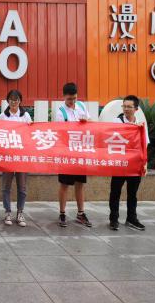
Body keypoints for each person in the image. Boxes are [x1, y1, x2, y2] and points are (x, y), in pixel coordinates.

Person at [54, 82, 92, 228]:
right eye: (69, 99)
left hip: (81, 152)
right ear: (64, 97)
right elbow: (60, 133)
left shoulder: (81, 106)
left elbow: (91, 124)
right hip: (66, 153)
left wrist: (86, 122)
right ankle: (62, 213)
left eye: (74, 98)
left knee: (80, 184)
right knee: (64, 184)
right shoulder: (60, 112)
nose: (72, 101)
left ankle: (81, 213)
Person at [109, 95, 149, 231]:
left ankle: (131, 218)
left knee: (132, 194)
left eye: (129, 107)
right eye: (124, 106)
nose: (126, 109)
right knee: (115, 192)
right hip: (119, 164)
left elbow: (144, 145)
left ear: (136, 109)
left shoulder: (141, 125)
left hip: (135, 164)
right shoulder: (117, 121)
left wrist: (145, 163)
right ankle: (113, 219)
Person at [0, 89, 32, 227]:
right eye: (11, 100)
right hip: (7, 156)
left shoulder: (25, 116)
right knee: (6, 186)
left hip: (21, 157)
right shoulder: (3, 116)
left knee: (22, 187)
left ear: (20, 101)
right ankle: (7, 212)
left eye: (16, 100)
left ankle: (20, 212)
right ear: (8, 101)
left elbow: (30, 134)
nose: (14, 102)